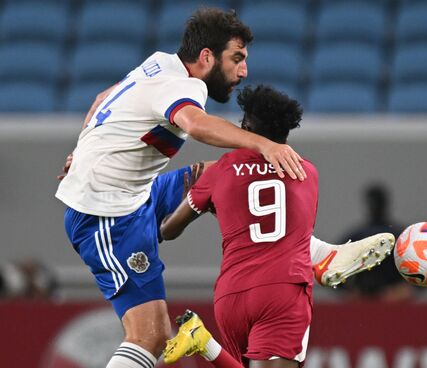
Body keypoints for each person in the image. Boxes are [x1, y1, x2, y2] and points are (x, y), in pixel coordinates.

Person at [55, 8, 392, 368]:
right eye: (237, 58)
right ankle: (312, 254)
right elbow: (195, 124)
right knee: (150, 336)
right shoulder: (185, 86)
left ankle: (317, 252)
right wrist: (263, 144)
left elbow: (102, 98)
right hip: (108, 216)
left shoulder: (160, 64)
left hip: (135, 195)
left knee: (226, 176)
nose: (243, 71)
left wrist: (84, 148)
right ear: (206, 57)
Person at [158, 85, 395, 368]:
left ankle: (204, 342)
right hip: (281, 290)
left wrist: (205, 205)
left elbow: (169, 231)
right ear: (285, 132)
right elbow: (290, 230)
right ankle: (323, 256)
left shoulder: (220, 169)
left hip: (231, 294)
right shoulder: (306, 172)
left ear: (245, 127)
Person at [338, 184, 416, 301]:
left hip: (396, 305)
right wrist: (352, 292)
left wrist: (403, 289)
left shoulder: (400, 237)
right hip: (362, 304)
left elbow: (419, 272)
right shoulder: (357, 236)